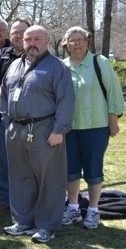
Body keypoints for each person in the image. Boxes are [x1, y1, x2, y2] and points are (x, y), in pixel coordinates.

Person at [1, 25, 75, 244]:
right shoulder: (15, 65)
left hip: (45, 129)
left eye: (37, 39)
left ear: (46, 41)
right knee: (19, 176)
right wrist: (7, 122)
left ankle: (46, 226)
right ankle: (23, 220)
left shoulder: (57, 67)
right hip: (16, 129)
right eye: (28, 39)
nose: (32, 43)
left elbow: (66, 100)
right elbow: (5, 95)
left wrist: (59, 130)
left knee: (49, 179)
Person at [61, 26, 124, 229]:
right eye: (72, 40)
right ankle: (73, 207)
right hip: (69, 128)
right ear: (66, 44)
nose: (77, 43)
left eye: (81, 39)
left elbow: (114, 92)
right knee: (70, 170)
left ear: (87, 42)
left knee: (93, 170)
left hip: (96, 127)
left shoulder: (100, 62)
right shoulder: (62, 66)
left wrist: (113, 121)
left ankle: (93, 211)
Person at [0, 19, 31, 212]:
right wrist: (4, 95)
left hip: (32, 122)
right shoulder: (2, 55)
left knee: (28, 161)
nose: (19, 36)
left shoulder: (38, 55)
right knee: (2, 160)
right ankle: (5, 199)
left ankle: (29, 199)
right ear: (9, 35)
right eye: (15, 32)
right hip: (4, 119)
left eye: (23, 32)